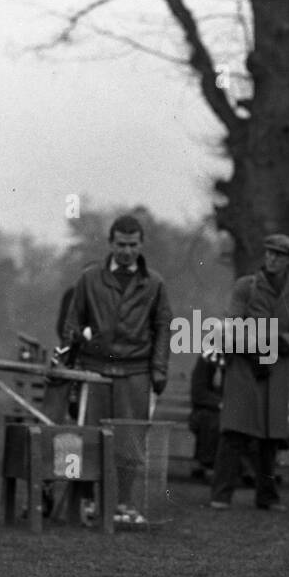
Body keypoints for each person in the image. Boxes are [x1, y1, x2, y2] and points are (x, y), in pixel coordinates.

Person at [62, 215, 172, 521]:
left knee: (130, 443)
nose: (126, 251)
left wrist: (159, 368)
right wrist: (70, 351)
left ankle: (122, 504)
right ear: (110, 243)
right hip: (94, 370)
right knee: (87, 438)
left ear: (141, 244)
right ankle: (85, 502)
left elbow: (164, 327)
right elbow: (72, 321)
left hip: (136, 372)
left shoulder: (155, 283)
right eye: (121, 244)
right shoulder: (89, 278)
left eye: (132, 244)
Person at [210, 233, 289, 511]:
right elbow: (231, 324)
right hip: (244, 367)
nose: (272, 259)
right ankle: (221, 494)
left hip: (276, 371)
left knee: (270, 436)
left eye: (279, 255)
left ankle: (267, 496)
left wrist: (281, 343)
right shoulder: (246, 287)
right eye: (269, 253)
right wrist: (256, 349)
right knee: (235, 432)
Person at [188, 347, 224, 481]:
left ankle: (248, 470)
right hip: (207, 410)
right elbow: (198, 392)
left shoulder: (241, 359)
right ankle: (208, 464)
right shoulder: (207, 359)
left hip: (233, 409)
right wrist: (221, 404)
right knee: (212, 419)